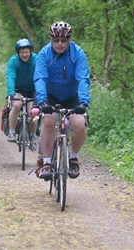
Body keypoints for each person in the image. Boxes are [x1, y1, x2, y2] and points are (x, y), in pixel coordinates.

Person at [34, 21, 90, 180]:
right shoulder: (44, 54)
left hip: (72, 96)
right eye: (56, 40)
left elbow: (83, 79)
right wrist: (43, 102)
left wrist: (83, 103)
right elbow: (40, 79)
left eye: (63, 41)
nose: (59, 44)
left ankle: (73, 157)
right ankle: (46, 163)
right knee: (49, 122)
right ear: (51, 39)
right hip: (50, 96)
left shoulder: (77, 53)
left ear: (69, 40)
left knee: (79, 124)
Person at [6, 38, 38, 146]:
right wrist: (11, 93)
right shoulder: (14, 61)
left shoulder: (36, 60)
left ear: (31, 51)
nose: (24, 55)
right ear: (18, 53)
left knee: (32, 112)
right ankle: (11, 132)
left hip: (32, 90)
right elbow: (10, 77)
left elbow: (40, 76)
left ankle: (33, 135)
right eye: (22, 52)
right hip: (18, 89)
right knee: (16, 105)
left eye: (26, 52)